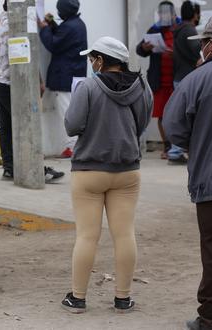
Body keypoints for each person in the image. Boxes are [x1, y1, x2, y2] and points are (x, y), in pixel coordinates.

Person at [62, 36, 153, 313]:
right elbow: (142, 124)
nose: (91, 63)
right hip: (127, 171)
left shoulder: (88, 87)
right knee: (124, 234)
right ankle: (123, 299)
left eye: (92, 59)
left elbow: (71, 126)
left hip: (89, 170)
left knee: (87, 236)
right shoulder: (141, 86)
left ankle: (77, 298)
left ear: (101, 60)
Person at [163, 16, 212, 330]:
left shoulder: (198, 79)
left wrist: (201, 139)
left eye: (205, 43)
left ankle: (211, 320)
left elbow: (173, 129)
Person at [0, 0, 65, 182]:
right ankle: (35, 169)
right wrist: (39, 80)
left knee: (7, 127)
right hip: (13, 85)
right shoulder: (21, 25)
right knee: (27, 125)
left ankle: (9, 168)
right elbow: (29, 54)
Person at [38, 0, 87, 159]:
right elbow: (62, 37)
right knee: (67, 110)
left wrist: (45, 28)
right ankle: (69, 146)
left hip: (64, 77)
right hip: (72, 75)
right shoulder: (77, 24)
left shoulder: (69, 26)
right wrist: (52, 25)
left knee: (66, 112)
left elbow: (53, 43)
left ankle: (72, 147)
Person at [136, 1, 180, 160]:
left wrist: (175, 54)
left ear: (173, 14)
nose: (164, 16)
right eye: (161, 13)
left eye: (167, 13)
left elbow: (188, 50)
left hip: (177, 79)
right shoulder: (154, 29)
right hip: (160, 80)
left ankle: (179, 147)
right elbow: (139, 50)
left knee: (177, 114)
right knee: (162, 115)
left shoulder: (179, 28)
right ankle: (167, 146)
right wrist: (145, 48)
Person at [167, 0, 201, 164]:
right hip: (188, 78)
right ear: (195, 14)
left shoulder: (179, 29)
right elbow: (196, 51)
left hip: (180, 77)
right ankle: (176, 151)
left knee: (181, 115)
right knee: (188, 117)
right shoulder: (189, 29)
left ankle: (176, 151)